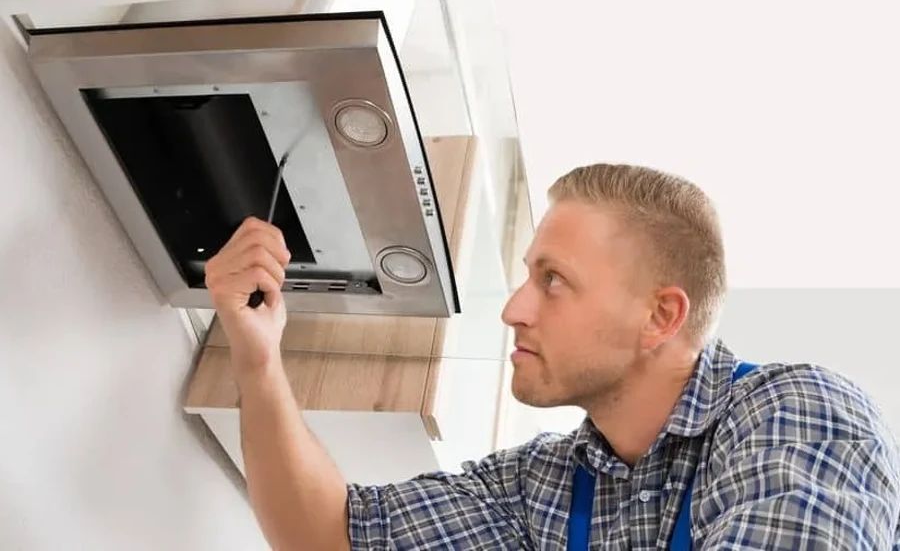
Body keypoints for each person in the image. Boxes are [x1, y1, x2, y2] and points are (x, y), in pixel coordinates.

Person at [204, 163, 900, 550]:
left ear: (661, 315)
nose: (514, 309)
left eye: (553, 281)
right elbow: (326, 536)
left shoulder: (795, 414)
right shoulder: (541, 487)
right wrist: (259, 359)